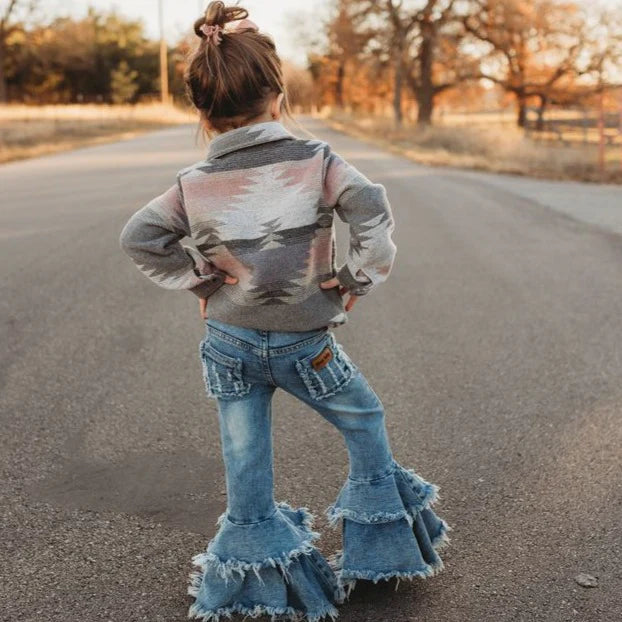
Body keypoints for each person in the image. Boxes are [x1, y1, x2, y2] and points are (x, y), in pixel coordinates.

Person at [118, 2, 450, 620]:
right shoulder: (317, 161)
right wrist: (356, 277)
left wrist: (200, 282)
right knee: (364, 420)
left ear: (202, 109)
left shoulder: (192, 182)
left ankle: (254, 577)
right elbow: (371, 210)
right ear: (277, 93)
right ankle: (380, 553)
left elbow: (140, 236)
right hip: (305, 342)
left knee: (245, 459)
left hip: (229, 342)